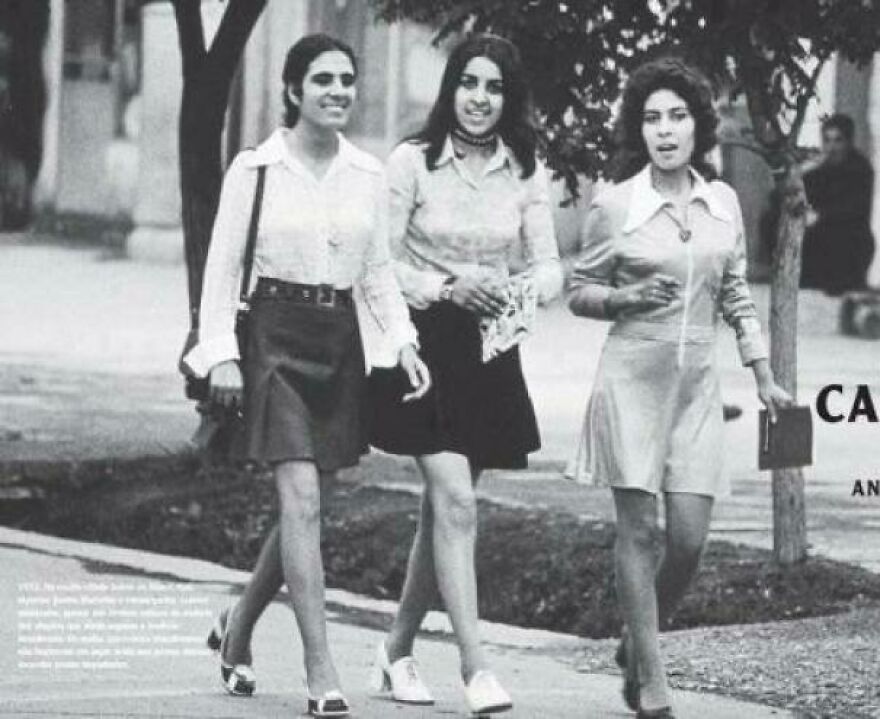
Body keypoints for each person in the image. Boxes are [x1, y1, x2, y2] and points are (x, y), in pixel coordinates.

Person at [182, 34, 430, 719]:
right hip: (273, 340)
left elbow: (376, 271)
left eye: (347, 79)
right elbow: (222, 268)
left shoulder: (366, 173)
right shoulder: (255, 169)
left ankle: (237, 627)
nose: (337, 91)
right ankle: (321, 671)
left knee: (307, 505)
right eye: (322, 79)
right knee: (302, 501)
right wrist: (220, 352)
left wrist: (403, 341)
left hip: (339, 343)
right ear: (294, 90)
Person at [566, 57, 792, 719]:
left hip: (696, 386)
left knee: (689, 540)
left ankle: (635, 642)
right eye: (651, 118)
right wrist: (624, 298)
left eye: (677, 116)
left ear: (698, 125)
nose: (664, 130)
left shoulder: (722, 202)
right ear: (639, 130)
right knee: (638, 532)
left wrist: (762, 371)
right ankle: (653, 683)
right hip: (632, 378)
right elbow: (580, 290)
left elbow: (735, 293)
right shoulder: (616, 204)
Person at [366, 34, 563, 716]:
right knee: (456, 501)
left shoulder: (526, 168)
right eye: (469, 83)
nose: (479, 98)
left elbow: (550, 266)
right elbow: (377, 262)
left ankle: (395, 651)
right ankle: (476, 668)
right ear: (450, 88)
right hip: (420, 343)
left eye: (494, 87)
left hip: (489, 348)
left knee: (445, 510)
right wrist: (448, 286)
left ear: (510, 97)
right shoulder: (411, 162)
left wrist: (518, 290)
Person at [800, 113, 876, 295]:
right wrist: (801, 170)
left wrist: (819, 216)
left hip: (850, 243)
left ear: (848, 142)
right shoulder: (821, 170)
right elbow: (803, 189)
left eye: (838, 140)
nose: (832, 147)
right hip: (823, 238)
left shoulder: (861, 169)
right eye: (827, 140)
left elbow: (852, 208)